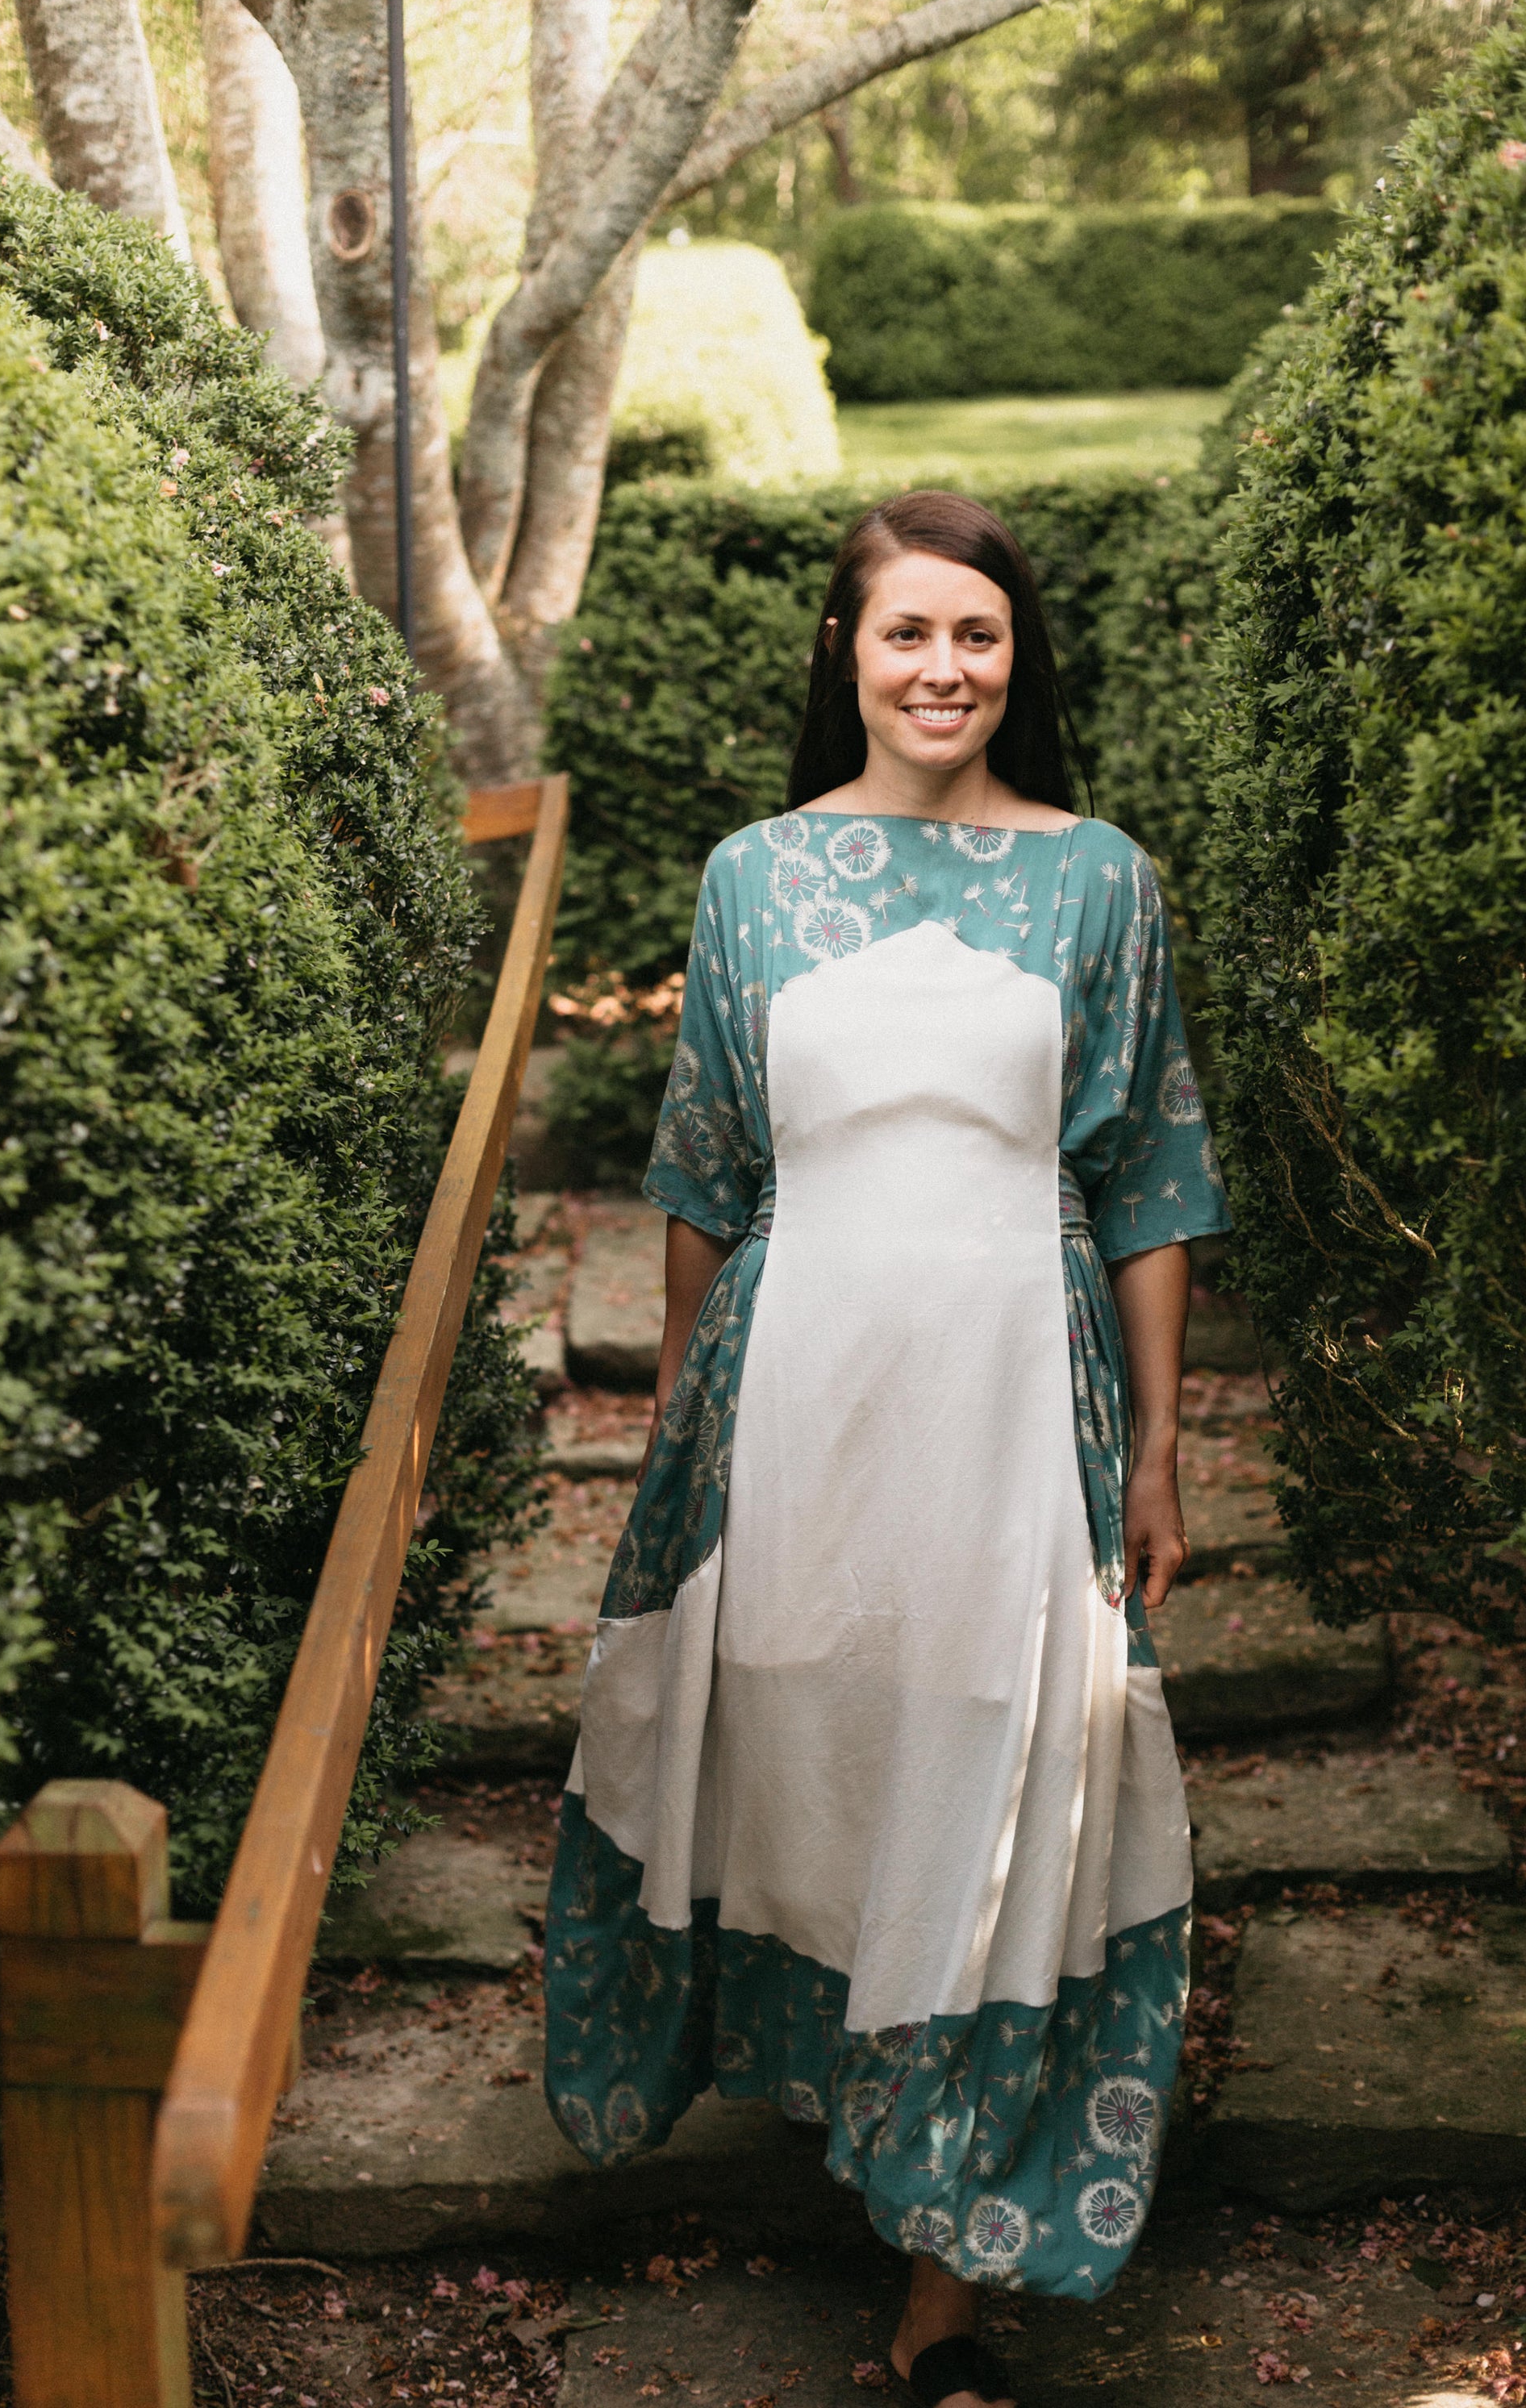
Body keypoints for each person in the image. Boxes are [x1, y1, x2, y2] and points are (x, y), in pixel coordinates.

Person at [541, 491, 1228, 2408]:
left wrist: (1163, 1446)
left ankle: (943, 2275)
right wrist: (685, 1413)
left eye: (979, 636)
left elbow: (1152, 1178)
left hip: (1021, 1385)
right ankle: (844, 2085)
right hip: (798, 1387)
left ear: (1020, 661)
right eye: (909, 634)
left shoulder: (1101, 877)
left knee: (1003, 1766)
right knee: (808, 1739)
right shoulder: (752, 873)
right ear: (847, 654)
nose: (944, 669)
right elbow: (701, 1159)